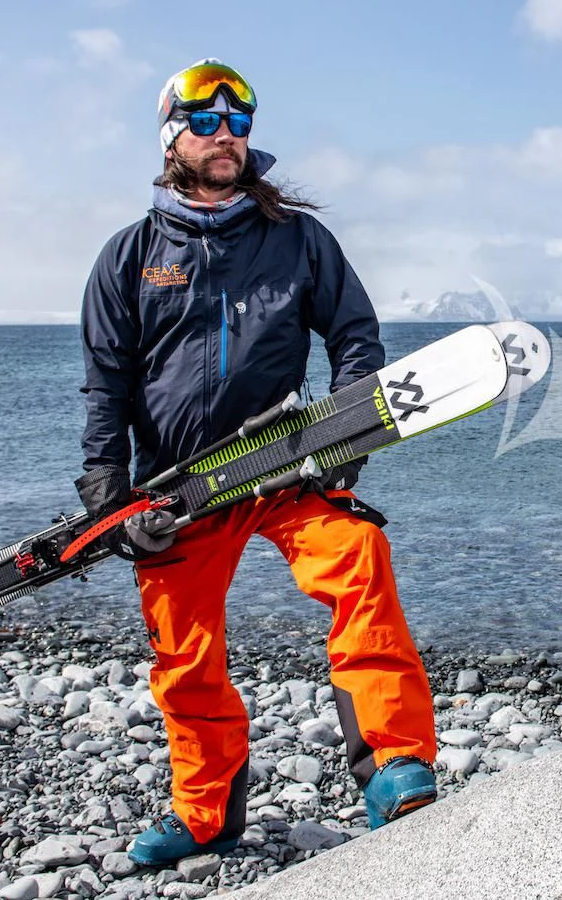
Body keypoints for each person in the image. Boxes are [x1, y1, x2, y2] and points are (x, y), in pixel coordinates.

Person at [76, 59, 438, 867]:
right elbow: (106, 380)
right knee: (183, 651)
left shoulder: (298, 239)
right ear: (173, 134)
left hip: (284, 469)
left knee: (358, 556)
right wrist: (106, 488)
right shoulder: (130, 255)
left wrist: (347, 434)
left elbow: (356, 338)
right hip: (178, 489)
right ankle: (205, 814)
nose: (227, 136)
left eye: (239, 121)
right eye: (207, 121)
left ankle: (394, 764)